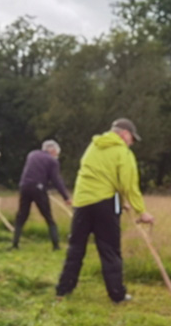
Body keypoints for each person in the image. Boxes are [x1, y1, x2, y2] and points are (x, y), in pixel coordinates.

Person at [55, 118, 153, 303]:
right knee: (109, 250)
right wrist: (142, 211)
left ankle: (63, 290)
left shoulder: (93, 147)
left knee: (76, 247)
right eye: (132, 138)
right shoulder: (122, 152)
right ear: (125, 134)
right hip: (105, 204)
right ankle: (117, 294)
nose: (132, 143)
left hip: (82, 203)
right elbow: (129, 184)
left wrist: (122, 200)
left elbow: (99, 175)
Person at [11, 140, 71, 250]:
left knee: (21, 215)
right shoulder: (52, 161)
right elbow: (56, 180)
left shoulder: (32, 154)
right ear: (53, 150)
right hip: (38, 189)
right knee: (48, 217)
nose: (57, 155)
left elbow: (34, 171)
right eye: (57, 153)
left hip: (24, 186)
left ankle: (15, 244)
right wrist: (66, 197)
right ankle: (56, 245)